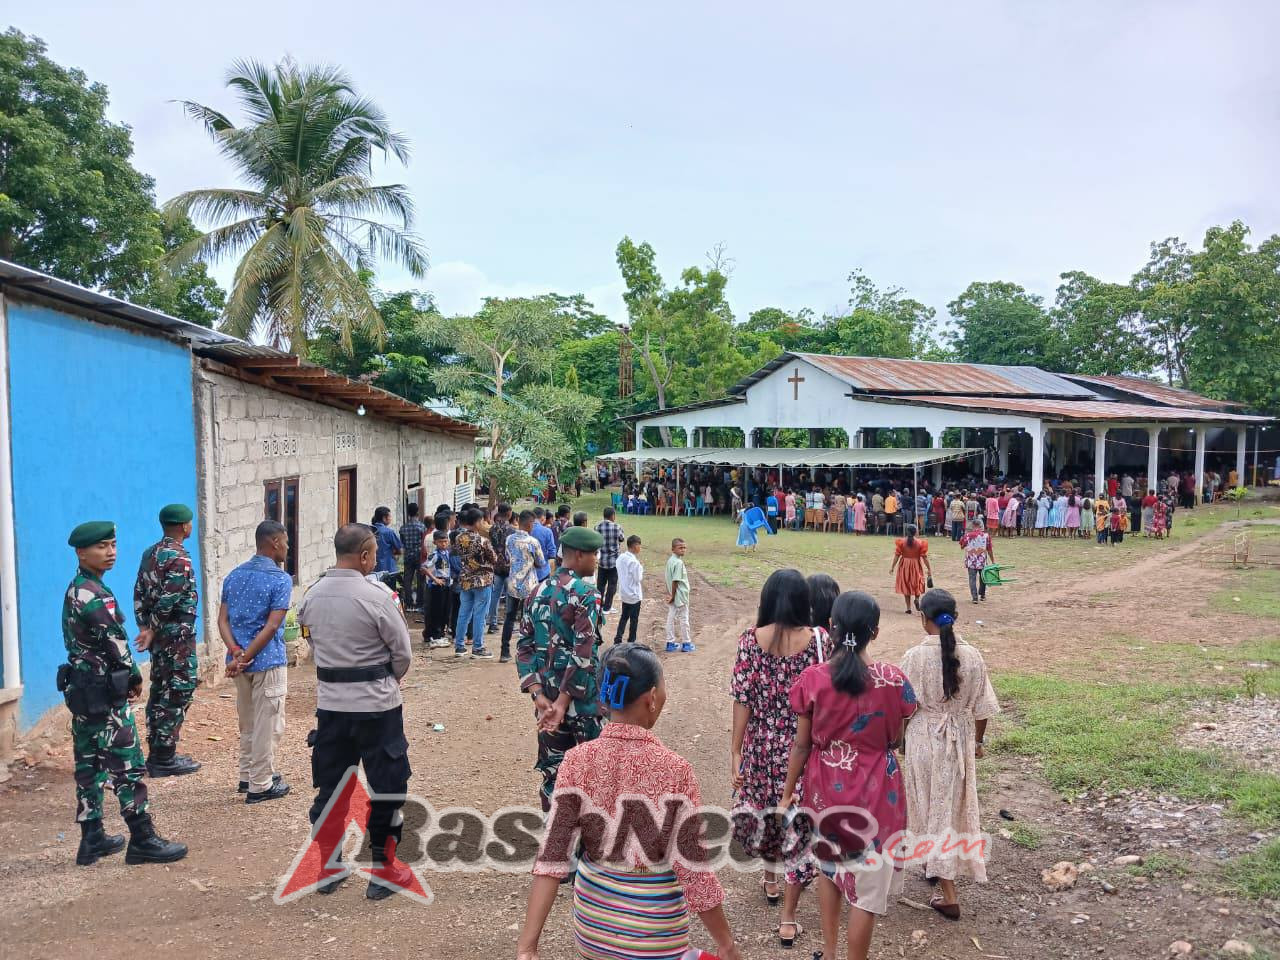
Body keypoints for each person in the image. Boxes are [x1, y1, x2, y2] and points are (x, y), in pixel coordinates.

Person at [518, 644, 743, 960]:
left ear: (604, 698)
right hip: (653, 941)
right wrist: (727, 945)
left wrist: (527, 948)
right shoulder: (675, 769)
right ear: (651, 697)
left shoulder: (576, 760)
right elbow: (693, 870)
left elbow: (553, 858)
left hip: (592, 931)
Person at [780, 591, 917, 960]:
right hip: (879, 793)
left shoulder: (813, 679)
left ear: (831, 629)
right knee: (868, 890)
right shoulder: (894, 680)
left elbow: (802, 746)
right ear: (875, 631)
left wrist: (787, 792)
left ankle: (829, 951)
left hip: (825, 789)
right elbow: (898, 735)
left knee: (829, 869)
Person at [60, 521, 188, 867]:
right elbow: (115, 641)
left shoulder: (77, 588)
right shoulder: (93, 594)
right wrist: (133, 676)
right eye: (102, 547)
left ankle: (92, 839)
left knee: (88, 766)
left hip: (83, 693)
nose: (111, 552)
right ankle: (143, 839)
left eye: (113, 545)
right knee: (127, 765)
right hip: (104, 694)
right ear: (81, 552)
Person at [297, 523, 414, 900]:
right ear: (364, 555)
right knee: (387, 788)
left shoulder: (312, 596)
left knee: (331, 788)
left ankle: (329, 867)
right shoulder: (377, 596)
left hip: (331, 708)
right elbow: (402, 654)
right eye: (375, 553)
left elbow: (313, 643)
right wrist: (384, 681)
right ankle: (384, 870)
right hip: (377, 708)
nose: (377, 559)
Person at [731, 569, 828, 947]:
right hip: (803, 747)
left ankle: (770, 877)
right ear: (804, 601)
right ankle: (788, 918)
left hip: (760, 744)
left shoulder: (749, 641)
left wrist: (736, 750)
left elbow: (743, 699)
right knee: (797, 827)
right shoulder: (819, 639)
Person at [901, 589, 1000, 920]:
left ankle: (948, 892)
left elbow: (903, 706)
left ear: (923, 619)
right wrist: (978, 743)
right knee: (947, 807)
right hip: (958, 739)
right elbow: (983, 708)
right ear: (954, 616)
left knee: (927, 804)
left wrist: (899, 739)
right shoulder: (973, 656)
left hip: (922, 739)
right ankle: (938, 867)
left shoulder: (914, 656)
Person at [517, 525, 606, 811]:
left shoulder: (536, 591)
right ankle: (586, 842)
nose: (597, 560)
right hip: (581, 706)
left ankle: (555, 837)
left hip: (546, 705)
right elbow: (584, 651)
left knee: (554, 772)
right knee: (589, 774)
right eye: (594, 554)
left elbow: (524, 646)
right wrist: (563, 702)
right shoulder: (586, 594)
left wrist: (539, 696)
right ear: (578, 555)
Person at [220, 520, 293, 803]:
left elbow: (222, 620)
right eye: (285, 541)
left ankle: (247, 774)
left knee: (249, 722)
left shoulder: (234, 576)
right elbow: (273, 627)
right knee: (269, 723)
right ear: (274, 542)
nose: (287, 547)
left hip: (239, 662)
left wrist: (236, 653)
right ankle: (261, 784)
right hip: (266, 661)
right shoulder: (280, 579)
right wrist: (247, 656)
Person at [133, 503, 201, 777]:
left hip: (160, 639)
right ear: (186, 526)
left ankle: (158, 752)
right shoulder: (180, 559)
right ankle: (165, 756)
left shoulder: (150, 554)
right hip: (178, 637)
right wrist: (152, 628)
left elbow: (139, 592)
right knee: (179, 690)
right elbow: (168, 600)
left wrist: (145, 626)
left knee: (161, 689)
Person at [501, 510, 546, 664]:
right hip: (529, 585)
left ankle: (504, 651)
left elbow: (508, 558)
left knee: (509, 617)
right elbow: (541, 562)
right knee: (529, 619)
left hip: (513, 583)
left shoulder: (509, 539)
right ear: (529, 524)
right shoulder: (533, 542)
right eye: (533, 523)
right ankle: (526, 652)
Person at [451, 506, 497, 660]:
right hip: (482, 580)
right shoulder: (482, 540)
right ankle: (478, 647)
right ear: (478, 522)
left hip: (465, 579)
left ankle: (459, 645)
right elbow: (494, 559)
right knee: (479, 614)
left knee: (464, 613)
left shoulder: (458, 538)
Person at [420, 531, 454, 649]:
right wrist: (435, 579)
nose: (444, 544)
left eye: (445, 541)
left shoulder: (448, 553)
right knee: (436, 611)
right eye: (441, 542)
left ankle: (440, 633)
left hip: (447, 584)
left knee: (446, 610)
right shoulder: (435, 554)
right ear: (435, 542)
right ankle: (435, 635)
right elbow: (424, 567)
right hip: (436, 586)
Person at [890, 524, 932, 615]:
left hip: (904, 565)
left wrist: (892, 567)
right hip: (916, 564)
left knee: (906, 585)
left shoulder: (901, 542)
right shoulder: (920, 543)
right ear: (915, 532)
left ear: (906, 531)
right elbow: (924, 557)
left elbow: (896, 556)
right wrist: (929, 568)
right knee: (918, 583)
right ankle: (917, 599)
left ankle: (908, 608)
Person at [487, 503, 515, 634]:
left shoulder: (492, 529)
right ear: (509, 513)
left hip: (496, 567)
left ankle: (492, 623)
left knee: (495, 596)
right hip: (509, 567)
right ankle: (508, 623)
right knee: (510, 596)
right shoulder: (512, 530)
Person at [613, 535, 644, 645]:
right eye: (639, 545)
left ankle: (618, 638)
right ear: (635, 546)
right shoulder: (634, 563)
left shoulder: (621, 557)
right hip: (634, 594)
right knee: (634, 619)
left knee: (624, 616)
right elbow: (638, 578)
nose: (640, 548)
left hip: (624, 592)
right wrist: (641, 568)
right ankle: (631, 640)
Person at [594, 506, 625, 614]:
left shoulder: (597, 526)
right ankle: (607, 607)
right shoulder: (617, 527)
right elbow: (622, 538)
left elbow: (595, 541)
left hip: (602, 560)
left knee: (600, 585)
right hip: (614, 561)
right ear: (613, 515)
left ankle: (599, 605)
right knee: (612, 584)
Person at [665, 538, 693, 653]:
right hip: (680, 596)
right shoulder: (678, 562)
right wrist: (673, 595)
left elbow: (669, 579)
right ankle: (686, 643)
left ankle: (670, 643)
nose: (683, 550)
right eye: (680, 548)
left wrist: (671, 594)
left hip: (674, 594)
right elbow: (675, 581)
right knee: (684, 619)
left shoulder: (670, 560)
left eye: (684, 547)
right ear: (673, 549)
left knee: (671, 618)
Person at [398, 503, 427, 613]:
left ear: (408, 513)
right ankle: (420, 603)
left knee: (407, 580)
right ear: (417, 512)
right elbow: (423, 542)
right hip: (419, 556)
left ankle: (409, 603)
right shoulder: (422, 526)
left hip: (408, 556)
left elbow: (402, 543)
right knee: (420, 580)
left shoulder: (403, 528)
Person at [960, 518, 995, 603]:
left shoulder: (967, 535)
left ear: (972, 526)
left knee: (972, 579)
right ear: (980, 526)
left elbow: (962, 545)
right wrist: (993, 560)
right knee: (983, 578)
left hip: (971, 561)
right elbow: (989, 549)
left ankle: (974, 597)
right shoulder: (986, 536)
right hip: (982, 561)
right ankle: (982, 595)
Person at [370, 506, 403, 592]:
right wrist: (394, 553)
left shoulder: (369, 531)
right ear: (384, 518)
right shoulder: (389, 532)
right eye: (390, 516)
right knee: (389, 592)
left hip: (372, 569)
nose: (391, 519)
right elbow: (400, 549)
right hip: (388, 569)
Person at [531, 507, 557, 577]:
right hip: (542, 572)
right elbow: (552, 554)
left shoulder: (524, 529)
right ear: (543, 517)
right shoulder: (547, 531)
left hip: (528, 574)